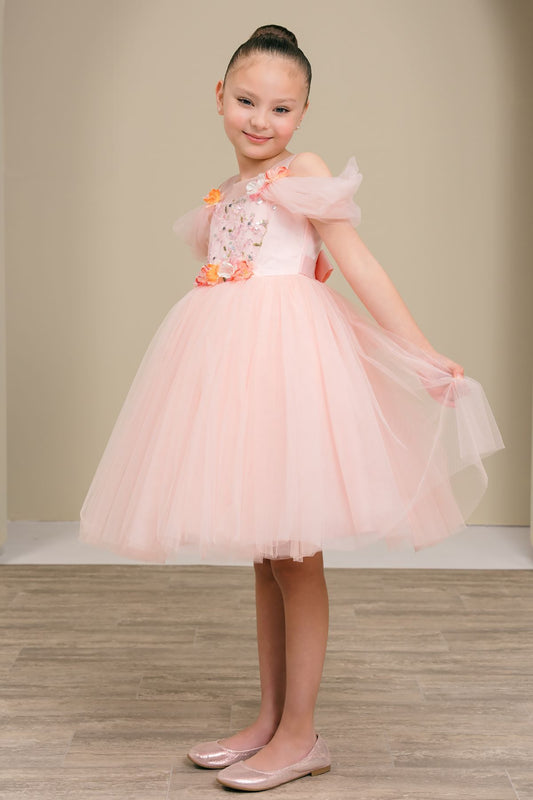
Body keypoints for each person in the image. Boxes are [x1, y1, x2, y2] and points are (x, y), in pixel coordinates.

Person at [79, 24, 505, 792]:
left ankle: (303, 734)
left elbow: (356, 263)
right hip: (231, 367)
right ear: (219, 99)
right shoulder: (229, 192)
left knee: (296, 553)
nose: (259, 120)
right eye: (246, 101)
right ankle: (270, 719)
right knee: (265, 550)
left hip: (289, 368)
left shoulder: (302, 171)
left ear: (302, 114)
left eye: (280, 108)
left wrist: (419, 350)